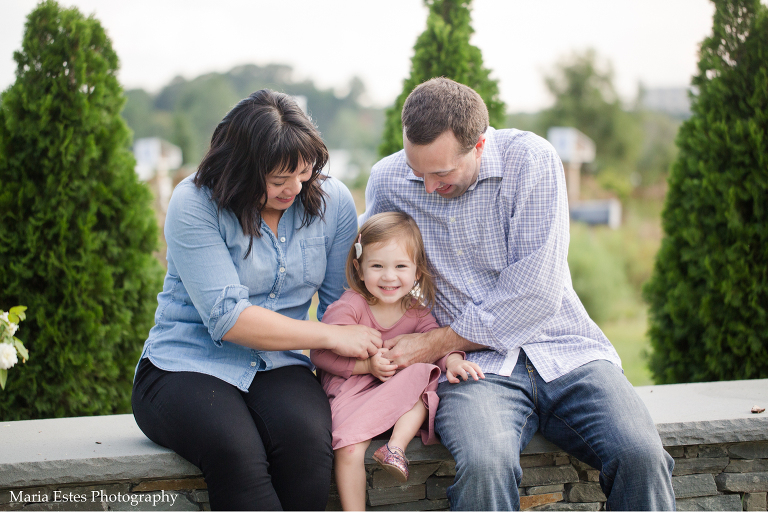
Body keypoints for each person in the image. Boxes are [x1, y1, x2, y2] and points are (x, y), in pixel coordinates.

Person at [360, 77, 676, 511]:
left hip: (565, 350)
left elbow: (535, 294)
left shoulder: (532, 161)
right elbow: (369, 273)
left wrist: (432, 342)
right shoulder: (388, 180)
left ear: (479, 146)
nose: (427, 187)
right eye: (418, 173)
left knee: (642, 456)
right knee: (485, 466)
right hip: (473, 371)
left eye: (441, 173)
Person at [131, 90, 383, 511]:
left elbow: (342, 307)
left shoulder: (333, 200)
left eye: (303, 173)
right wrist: (330, 336)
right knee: (236, 454)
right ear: (239, 167)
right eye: (278, 179)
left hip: (280, 365)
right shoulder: (194, 202)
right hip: (186, 363)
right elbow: (228, 319)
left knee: (307, 448)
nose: (294, 188)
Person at [310, 212, 483, 511]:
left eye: (400, 266)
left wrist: (452, 360)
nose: (389, 277)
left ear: (417, 272)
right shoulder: (351, 306)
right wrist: (366, 366)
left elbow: (435, 343)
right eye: (377, 266)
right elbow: (320, 354)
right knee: (350, 448)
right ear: (359, 268)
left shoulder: (416, 311)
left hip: (391, 389)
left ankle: (395, 447)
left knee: (425, 376)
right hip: (351, 390)